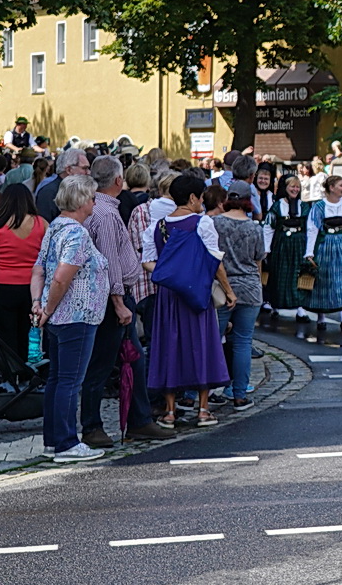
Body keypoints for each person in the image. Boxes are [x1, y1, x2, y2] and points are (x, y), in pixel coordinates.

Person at [78, 156, 166, 447]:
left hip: (115, 296)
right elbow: (109, 262)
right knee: (102, 365)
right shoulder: (103, 213)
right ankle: (92, 426)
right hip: (111, 298)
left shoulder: (103, 209)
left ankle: (139, 420)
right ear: (118, 181)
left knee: (134, 359)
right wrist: (118, 303)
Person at [31, 176, 113, 462]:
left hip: (58, 318)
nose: (94, 202)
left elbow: (38, 270)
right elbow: (61, 277)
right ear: (80, 201)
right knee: (69, 381)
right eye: (92, 197)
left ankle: (53, 440)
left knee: (57, 380)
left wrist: (38, 305)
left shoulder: (54, 227)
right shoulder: (76, 234)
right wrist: (49, 308)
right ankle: (67, 443)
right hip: (76, 315)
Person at [144, 175, 234, 428]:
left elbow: (148, 262)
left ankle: (170, 411)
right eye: (202, 197)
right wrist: (228, 291)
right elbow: (215, 262)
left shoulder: (158, 226)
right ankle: (203, 410)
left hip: (169, 295)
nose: (203, 202)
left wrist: (173, 273)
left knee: (169, 347)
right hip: (196, 292)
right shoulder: (202, 223)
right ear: (193, 198)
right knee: (201, 345)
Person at [0, 182, 45, 388]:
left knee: (3, 336)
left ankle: (5, 379)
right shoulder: (42, 224)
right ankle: (28, 377)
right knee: (29, 333)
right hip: (32, 287)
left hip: (2, 286)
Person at [213, 186, 265, 409]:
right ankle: (240, 395)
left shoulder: (216, 223)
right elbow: (258, 258)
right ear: (248, 200)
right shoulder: (254, 228)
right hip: (250, 287)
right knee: (243, 342)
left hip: (221, 289)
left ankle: (193, 393)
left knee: (211, 339)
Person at [303, 175, 342, 345]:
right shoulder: (319, 207)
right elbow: (312, 228)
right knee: (325, 280)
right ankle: (321, 317)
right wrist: (309, 252)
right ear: (331, 187)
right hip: (325, 245)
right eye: (340, 185)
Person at [261, 174, 310, 332]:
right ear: (285, 188)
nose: (295, 189)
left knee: (298, 274)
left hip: (299, 243)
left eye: (297, 187)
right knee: (279, 274)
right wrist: (266, 249)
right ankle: (276, 305)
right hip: (281, 243)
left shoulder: (304, 207)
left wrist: (310, 249)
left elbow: (311, 229)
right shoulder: (277, 206)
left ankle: (300, 308)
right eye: (292, 187)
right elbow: (269, 228)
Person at [34, 148, 91, 221]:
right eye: (84, 168)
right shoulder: (49, 192)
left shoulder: (78, 190)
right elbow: (43, 225)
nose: (88, 172)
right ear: (69, 170)